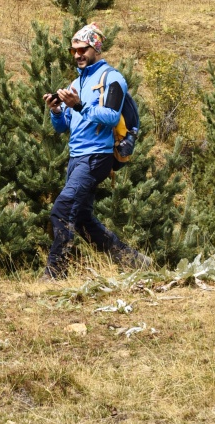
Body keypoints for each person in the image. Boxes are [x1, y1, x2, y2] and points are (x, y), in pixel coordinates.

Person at [42, 21, 148, 279]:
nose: (77, 54)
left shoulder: (112, 78)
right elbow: (63, 126)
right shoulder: (76, 83)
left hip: (97, 156)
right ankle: (134, 261)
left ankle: (55, 274)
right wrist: (57, 110)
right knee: (80, 220)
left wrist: (79, 106)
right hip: (76, 157)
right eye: (74, 50)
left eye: (83, 49)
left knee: (62, 210)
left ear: (96, 48)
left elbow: (111, 116)